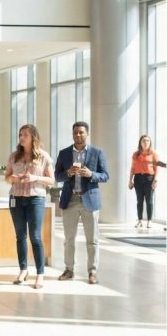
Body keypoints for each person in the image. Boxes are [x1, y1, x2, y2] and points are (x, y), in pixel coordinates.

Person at [55, 121, 109, 284]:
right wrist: (68, 173)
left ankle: (92, 271)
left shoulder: (97, 152)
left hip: (89, 200)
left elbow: (105, 175)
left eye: (81, 132)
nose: (78, 135)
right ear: (72, 134)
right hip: (69, 200)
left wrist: (91, 174)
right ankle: (69, 269)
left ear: (87, 134)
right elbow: (57, 176)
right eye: (75, 133)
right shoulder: (64, 153)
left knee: (92, 239)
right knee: (68, 239)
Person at [5, 124, 55, 289]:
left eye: (25, 134)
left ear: (33, 136)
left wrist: (34, 178)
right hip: (16, 199)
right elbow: (7, 177)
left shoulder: (43, 156)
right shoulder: (14, 156)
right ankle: (23, 270)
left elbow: (51, 181)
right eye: (20, 134)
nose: (21, 137)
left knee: (35, 236)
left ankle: (40, 274)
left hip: (35, 199)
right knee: (20, 236)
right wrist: (14, 178)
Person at [128, 135, 159, 229]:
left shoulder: (153, 154)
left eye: (147, 141)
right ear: (140, 142)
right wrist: (130, 180)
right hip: (138, 178)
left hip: (149, 178)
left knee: (149, 200)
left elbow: (156, 168)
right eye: (143, 141)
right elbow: (132, 168)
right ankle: (140, 220)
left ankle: (149, 221)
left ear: (150, 142)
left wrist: (155, 180)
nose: (145, 142)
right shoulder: (135, 154)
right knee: (139, 200)